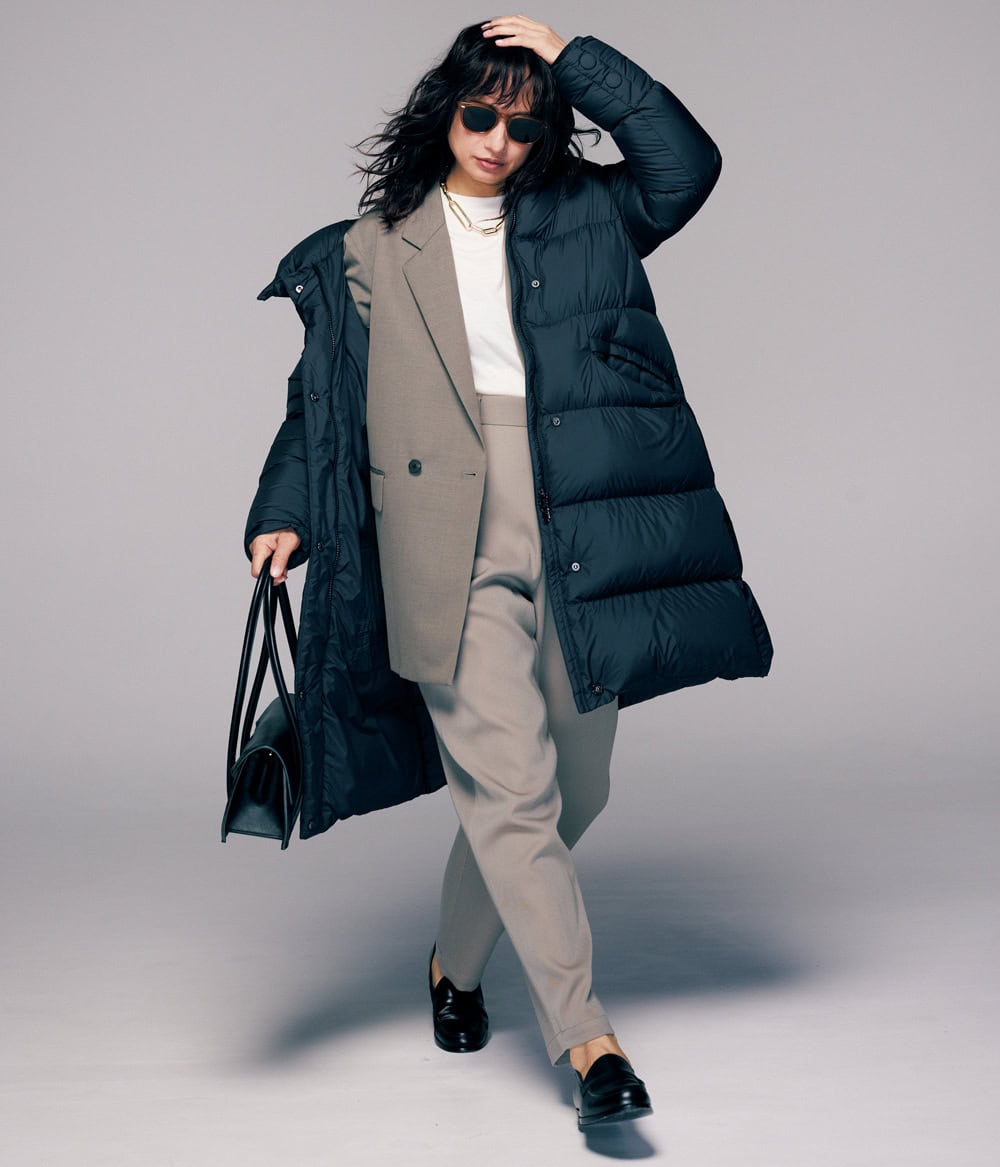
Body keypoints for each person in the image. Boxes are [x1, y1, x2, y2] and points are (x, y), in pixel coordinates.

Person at [245, 15, 772, 1130]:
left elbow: (687, 166)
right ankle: (589, 1042)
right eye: (480, 114)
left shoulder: (588, 216)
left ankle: (454, 960)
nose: (496, 140)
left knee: (575, 790)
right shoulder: (371, 248)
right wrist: (284, 512)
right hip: (443, 535)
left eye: (524, 126)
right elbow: (320, 400)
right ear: (445, 110)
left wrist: (579, 58)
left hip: (575, 522)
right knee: (514, 790)